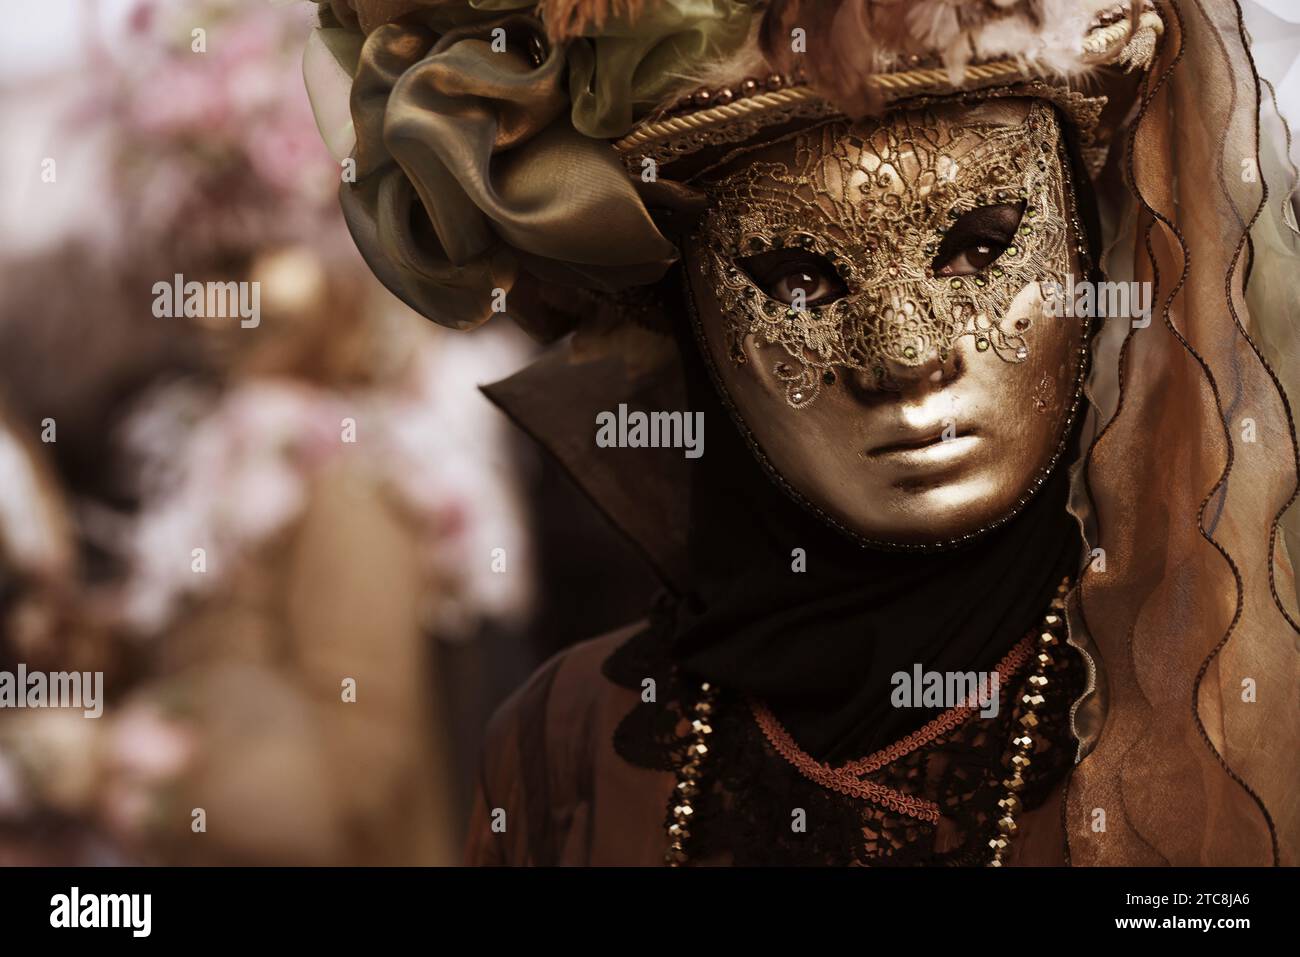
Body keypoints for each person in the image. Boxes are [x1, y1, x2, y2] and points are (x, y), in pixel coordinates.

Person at [305, 0, 1300, 865]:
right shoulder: (568, 742)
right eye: (799, 277)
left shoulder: (1237, 716)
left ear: (1085, 247)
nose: (904, 356)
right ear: (688, 317)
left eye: (977, 247)